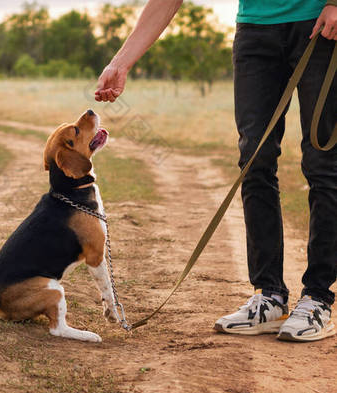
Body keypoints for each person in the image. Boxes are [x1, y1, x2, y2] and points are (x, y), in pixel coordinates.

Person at [96, 0, 337, 342]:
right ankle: (269, 296)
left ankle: (318, 298)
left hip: (319, 23)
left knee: (322, 161)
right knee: (254, 159)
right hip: (255, 30)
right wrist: (121, 62)